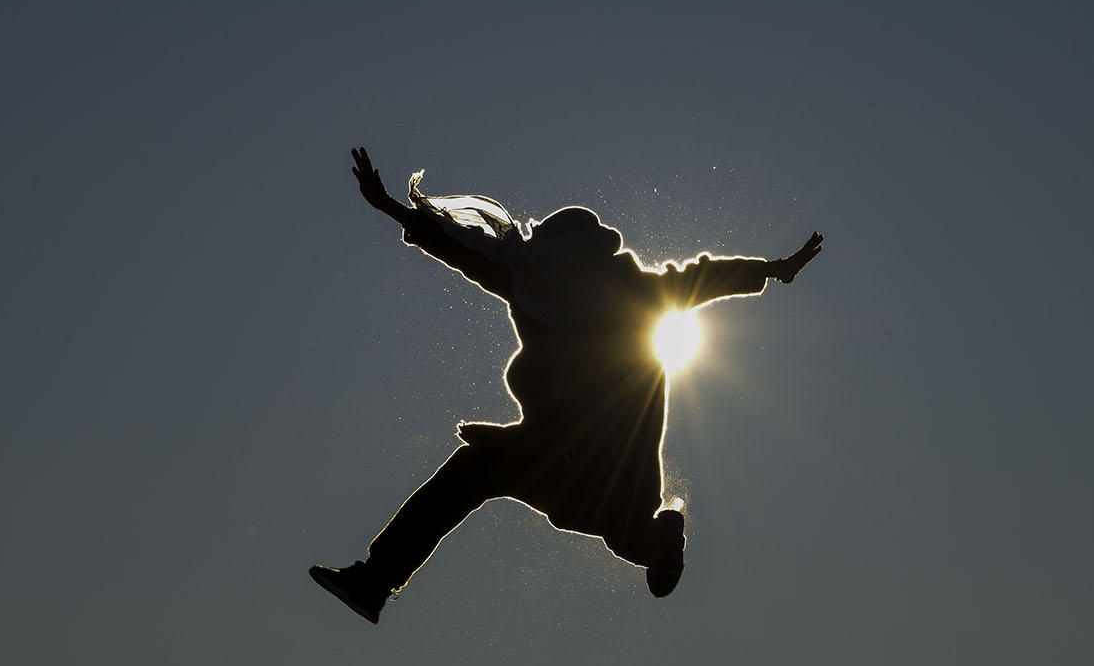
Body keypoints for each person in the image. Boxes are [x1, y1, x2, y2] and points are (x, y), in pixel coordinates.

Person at [311, 147, 822, 623]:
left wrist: (774, 269)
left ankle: (658, 540)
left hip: (605, 464)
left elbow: (703, 278)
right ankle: (374, 582)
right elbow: (463, 252)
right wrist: (389, 206)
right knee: (496, 478)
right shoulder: (541, 280)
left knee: (602, 516)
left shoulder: (609, 292)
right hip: (571, 464)